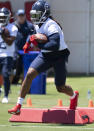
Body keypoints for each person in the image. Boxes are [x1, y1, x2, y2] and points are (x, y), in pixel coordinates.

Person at [8, 0, 79, 114]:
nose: (34, 17)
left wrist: (37, 44)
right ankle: (18, 106)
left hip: (59, 55)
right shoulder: (37, 24)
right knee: (30, 74)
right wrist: (28, 42)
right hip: (46, 54)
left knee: (60, 87)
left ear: (45, 13)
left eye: (37, 14)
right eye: (33, 15)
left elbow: (54, 45)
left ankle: (74, 95)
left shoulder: (51, 25)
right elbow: (34, 35)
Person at [12, 9, 36, 84]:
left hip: (26, 50)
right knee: (15, 66)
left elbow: (33, 37)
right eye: (19, 16)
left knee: (25, 67)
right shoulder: (13, 25)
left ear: (25, 16)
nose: (21, 17)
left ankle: (24, 81)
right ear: (17, 16)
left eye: (22, 15)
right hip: (15, 50)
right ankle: (14, 81)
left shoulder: (30, 26)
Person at [0, 7, 18, 103]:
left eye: (4, 17)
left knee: (6, 75)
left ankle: (6, 96)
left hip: (7, 55)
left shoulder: (13, 28)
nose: (2, 19)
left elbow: (10, 42)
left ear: (8, 17)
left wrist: (3, 34)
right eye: (1, 17)